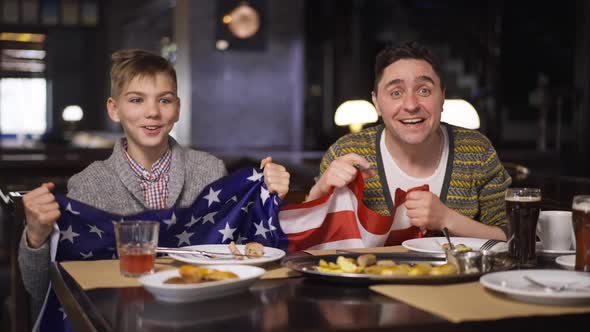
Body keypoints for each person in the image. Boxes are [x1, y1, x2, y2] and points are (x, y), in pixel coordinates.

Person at [19, 49, 291, 321]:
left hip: (199, 315)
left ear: (178, 108)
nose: (152, 112)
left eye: (164, 100)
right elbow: (42, 289)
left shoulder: (209, 169)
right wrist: (36, 237)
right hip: (119, 318)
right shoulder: (88, 184)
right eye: (137, 100)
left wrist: (265, 190)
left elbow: (239, 256)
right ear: (114, 109)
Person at [306, 41, 511, 242]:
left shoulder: (477, 151)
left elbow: (512, 236)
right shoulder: (346, 152)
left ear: (442, 97)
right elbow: (309, 239)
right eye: (396, 93)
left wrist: (447, 219)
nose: (411, 105)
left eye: (424, 91)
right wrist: (320, 190)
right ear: (376, 103)